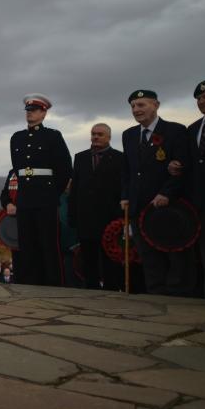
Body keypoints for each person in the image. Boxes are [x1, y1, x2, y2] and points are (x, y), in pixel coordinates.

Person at [120, 90, 190, 295]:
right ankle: (156, 294)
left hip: (165, 205)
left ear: (156, 105)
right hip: (138, 205)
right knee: (148, 256)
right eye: (133, 106)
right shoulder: (129, 135)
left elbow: (182, 166)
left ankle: (180, 296)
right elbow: (128, 170)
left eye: (141, 105)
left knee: (173, 254)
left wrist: (167, 193)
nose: (136, 110)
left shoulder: (175, 131)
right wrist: (125, 195)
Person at [168, 79, 205, 302]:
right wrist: (176, 166)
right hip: (202, 202)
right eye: (199, 99)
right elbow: (191, 163)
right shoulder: (193, 128)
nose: (202, 101)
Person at [7, 94, 72, 285]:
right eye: (28, 110)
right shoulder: (16, 138)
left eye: (34, 110)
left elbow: (65, 168)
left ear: (44, 113)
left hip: (46, 198)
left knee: (48, 244)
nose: (30, 114)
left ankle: (53, 284)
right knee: (27, 244)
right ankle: (30, 283)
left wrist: (53, 193)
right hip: (25, 198)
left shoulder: (53, 136)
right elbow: (17, 169)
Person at [68, 123, 124, 290]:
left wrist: (121, 217)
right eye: (93, 134)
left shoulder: (120, 158)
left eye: (100, 134)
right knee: (88, 259)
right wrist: (73, 215)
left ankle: (111, 290)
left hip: (110, 219)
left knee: (110, 259)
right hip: (85, 218)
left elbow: (122, 188)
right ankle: (91, 290)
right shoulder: (80, 157)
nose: (96, 137)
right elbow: (75, 189)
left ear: (108, 137)